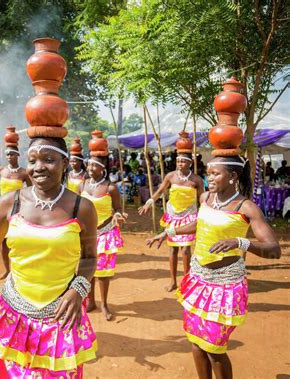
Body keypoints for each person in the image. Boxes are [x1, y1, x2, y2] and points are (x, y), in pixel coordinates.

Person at [0, 135, 98, 377]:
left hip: (61, 317)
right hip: (13, 315)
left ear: (65, 163)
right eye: (32, 160)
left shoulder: (82, 208)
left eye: (48, 159)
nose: (39, 167)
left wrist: (78, 290)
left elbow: (89, 258)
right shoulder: (9, 202)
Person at [146, 155, 280, 379]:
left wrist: (240, 242)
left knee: (214, 349)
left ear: (233, 176)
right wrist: (169, 231)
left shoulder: (246, 207)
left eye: (216, 173)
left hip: (225, 287)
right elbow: (201, 222)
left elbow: (274, 249)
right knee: (196, 344)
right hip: (198, 281)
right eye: (209, 173)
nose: (210, 177)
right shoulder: (206, 197)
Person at [139, 139, 204, 292]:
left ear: (190, 163)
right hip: (173, 216)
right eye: (178, 161)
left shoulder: (196, 180)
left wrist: (205, 214)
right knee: (173, 249)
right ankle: (173, 281)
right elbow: (160, 191)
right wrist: (150, 201)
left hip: (189, 217)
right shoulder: (171, 176)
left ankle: (186, 282)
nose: (180, 164)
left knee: (186, 250)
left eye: (183, 161)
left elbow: (202, 199)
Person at [81, 130, 126, 321]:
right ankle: (90, 301)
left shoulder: (110, 188)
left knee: (103, 273)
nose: (90, 168)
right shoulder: (83, 186)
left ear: (102, 169)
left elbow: (117, 209)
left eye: (94, 166)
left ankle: (105, 304)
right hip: (86, 235)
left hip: (106, 235)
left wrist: (118, 214)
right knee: (87, 270)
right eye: (89, 165)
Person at [0, 127, 31, 280]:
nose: (9, 157)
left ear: (18, 155)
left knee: (19, 240)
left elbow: (32, 190)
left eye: (12, 154)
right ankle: (7, 269)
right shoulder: (0, 170)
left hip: (19, 210)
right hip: (2, 210)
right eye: (7, 154)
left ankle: (21, 269)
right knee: (3, 243)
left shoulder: (23, 173)